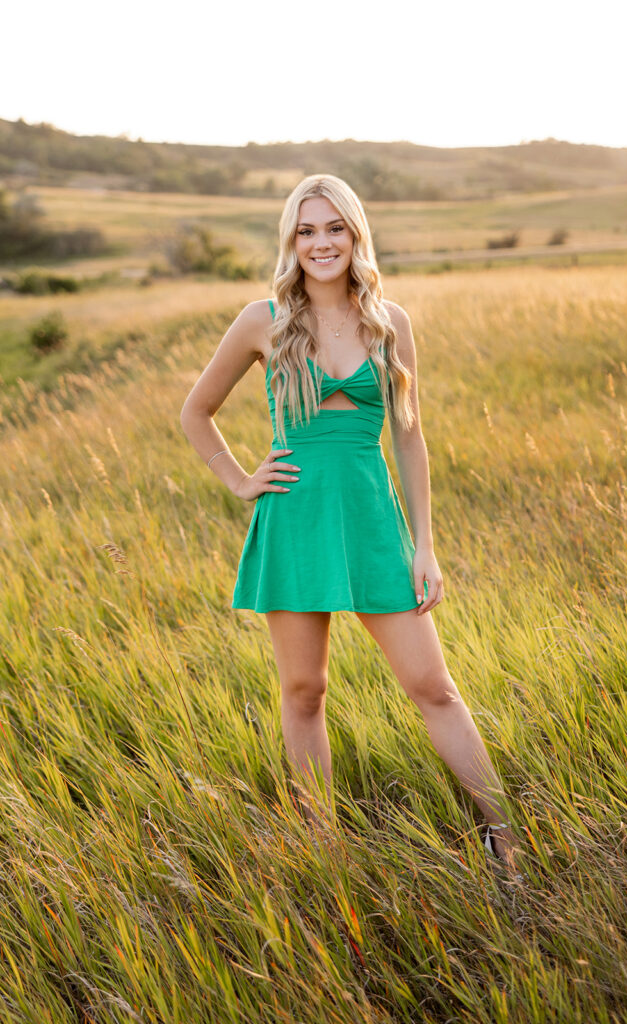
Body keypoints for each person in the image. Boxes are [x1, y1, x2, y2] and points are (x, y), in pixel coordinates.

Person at [180, 174, 526, 881]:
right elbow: (196, 412)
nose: (320, 243)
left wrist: (424, 544)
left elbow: (409, 438)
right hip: (294, 517)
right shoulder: (262, 319)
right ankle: (321, 847)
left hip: (371, 520)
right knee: (304, 691)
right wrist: (242, 480)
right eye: (305, 231)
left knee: (434, 686)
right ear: (291, 241)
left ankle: (506, 840)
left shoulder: (388, 320)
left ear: (355, 234)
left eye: (333, 228)